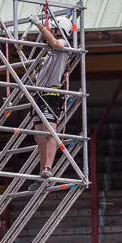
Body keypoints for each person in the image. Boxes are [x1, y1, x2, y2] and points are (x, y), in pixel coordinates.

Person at [27, 14, 73, 181]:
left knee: (50, 131)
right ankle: (42, 171)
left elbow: (55, 42)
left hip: (51, 94)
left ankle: (48, 167)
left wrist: (39, 25)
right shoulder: (48, 52)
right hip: (39, 94)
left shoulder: (63, 44)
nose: (51, 30)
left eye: (54, 28)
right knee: (38, 134)